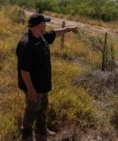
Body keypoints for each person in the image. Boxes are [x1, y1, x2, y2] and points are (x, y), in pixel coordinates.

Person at [16, 13, 79, 141]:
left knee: (43, 108)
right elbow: (24, 70)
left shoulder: (41, 37)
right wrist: (31, 89)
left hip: (43, 84)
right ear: (40, 25)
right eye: (45, 22)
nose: (46, 24)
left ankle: (41, 129)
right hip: (33, 85)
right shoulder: (27, 44)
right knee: (32, 109)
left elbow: (54, 33)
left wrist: (68, 29)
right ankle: (27, 134)